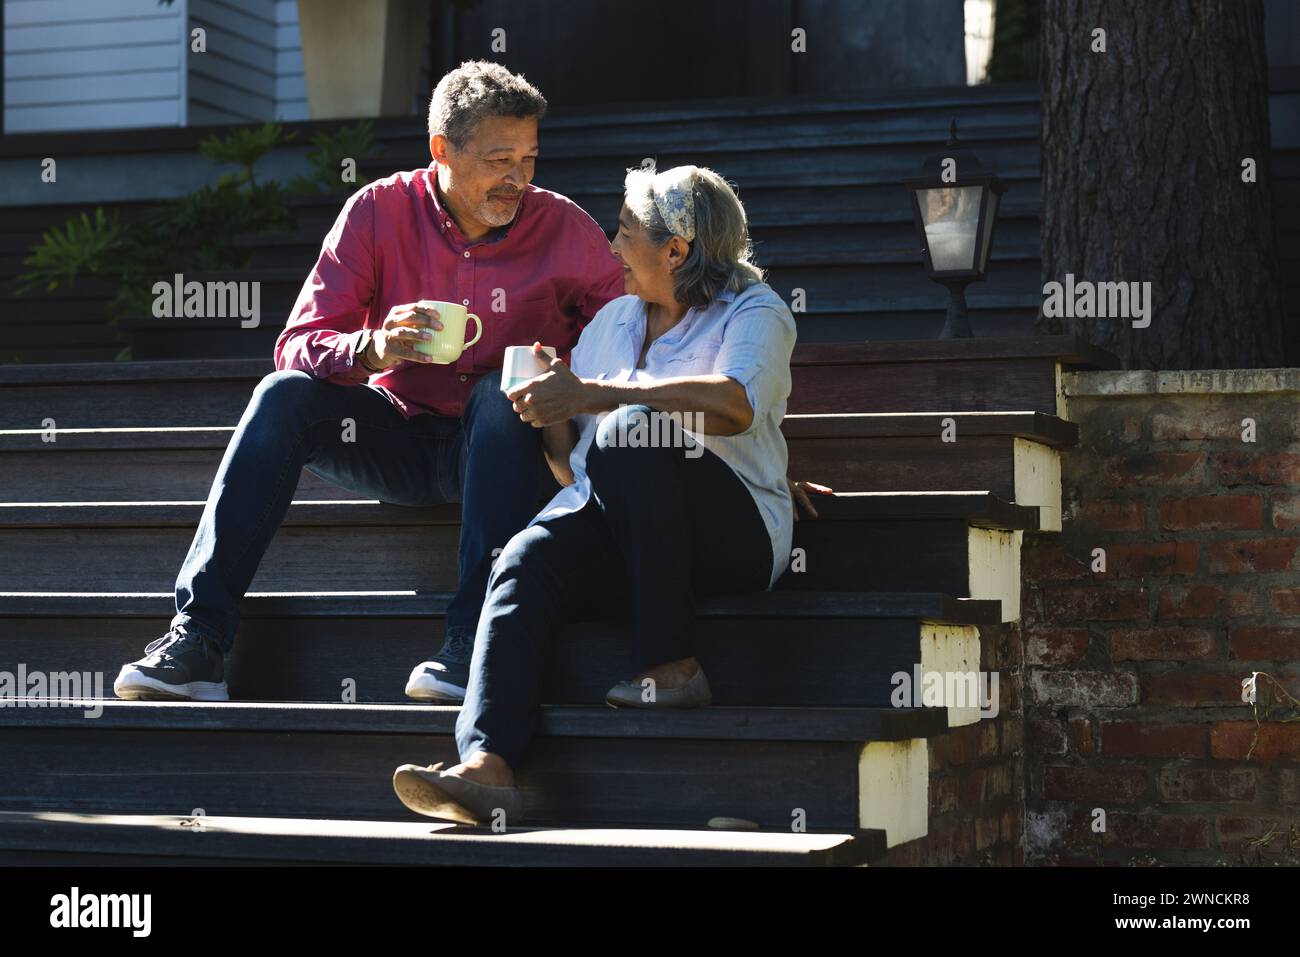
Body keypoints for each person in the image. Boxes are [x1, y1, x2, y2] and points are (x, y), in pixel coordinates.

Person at [112, 61, 625, 703]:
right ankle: (199, 640)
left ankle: (473, 648)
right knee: (280, 396)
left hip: (507, 447)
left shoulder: (565, 226)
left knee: (499, 393)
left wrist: (565, 378)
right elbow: (296, 346)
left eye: (529, 158)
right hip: (396, 438)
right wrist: (372, 346)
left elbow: (630, 332)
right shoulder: (378, 211)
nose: (519, 179)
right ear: (442, 149)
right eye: (500, 160)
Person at [392, 163, 799, 825]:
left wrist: (600, 396)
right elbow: (571, 465)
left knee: (630, 429)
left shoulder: (756, 311)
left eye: (627, 231)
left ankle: (671, 663)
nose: (612, 247)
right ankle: (487, 764)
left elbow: (736, 405)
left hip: (735, 533)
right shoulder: (612, 320)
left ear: (676, 249)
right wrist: (551, 406)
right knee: (525, 558)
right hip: (628, 528)